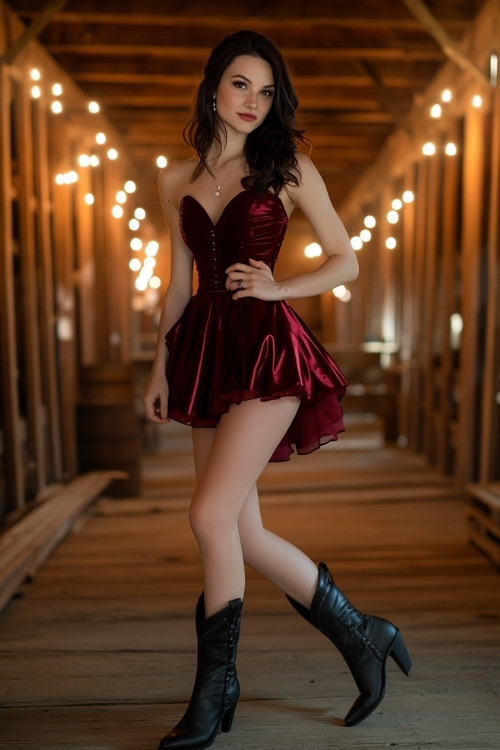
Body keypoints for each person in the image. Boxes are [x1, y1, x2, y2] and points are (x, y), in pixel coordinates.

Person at [143, 29, 411, 750]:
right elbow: (176, 286)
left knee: (207, 516)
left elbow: (347, 260)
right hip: (203, 351)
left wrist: (277, 285)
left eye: (266, 91)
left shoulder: (287, 166)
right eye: (240, 85)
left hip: (267, 350)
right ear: (213, 86)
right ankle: (364, 634)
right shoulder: (176, 179)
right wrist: (158, 366)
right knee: (242, 530)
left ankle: (214, 690)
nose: (253, 102)